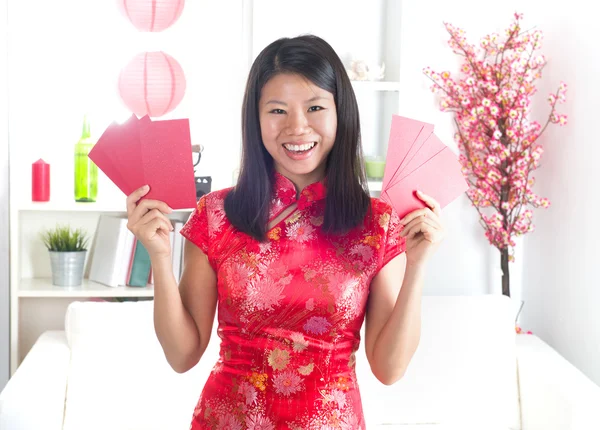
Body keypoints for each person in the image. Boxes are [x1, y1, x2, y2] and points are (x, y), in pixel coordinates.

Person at [126, 34, 445, 430]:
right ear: (255, 119)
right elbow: (182, 356)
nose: (297, 127)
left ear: (340, 113)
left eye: (314, 107)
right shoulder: (216, 216)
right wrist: (159, 255)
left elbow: (390, 369)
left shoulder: (376, 224)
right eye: (277, 110)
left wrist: (417, 266)